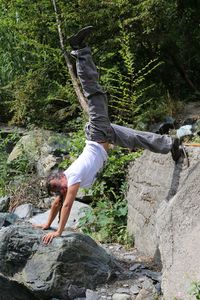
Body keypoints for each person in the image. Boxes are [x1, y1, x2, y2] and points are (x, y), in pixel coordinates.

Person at [33, 26, 182, 244]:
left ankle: (80, 49)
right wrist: (47, 225)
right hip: (105, 137)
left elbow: (66, 205)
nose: (63, 192)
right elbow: (58, 202)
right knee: (136, 138)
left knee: (95, 95)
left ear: (60, 179)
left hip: (98, 134)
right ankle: (171, 144)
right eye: (60, 191)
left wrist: (58, 231)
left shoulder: (71, 178)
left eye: (60, 187)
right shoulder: (65, 185)